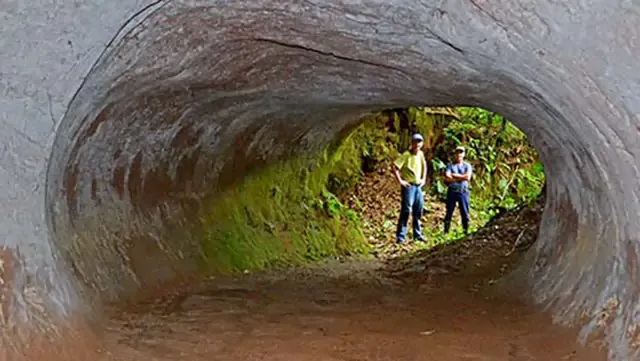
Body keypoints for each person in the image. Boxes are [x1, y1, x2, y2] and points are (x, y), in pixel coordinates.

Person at [392, 133, 427, 244]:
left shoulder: (420, 154)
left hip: (418, 186)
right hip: (409, 186)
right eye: (415, 142)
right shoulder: (406, 155)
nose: (417, 144)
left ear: (422, 143)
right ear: (412, 143)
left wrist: (423, 178)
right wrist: (401, 181)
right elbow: (395, 166)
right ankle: (401, 236)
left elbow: (424, 165)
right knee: (406, 210)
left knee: (418, 210)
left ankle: (418, 235)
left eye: (419, 142)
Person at [443, 145, 473, 235]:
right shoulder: (450, 165)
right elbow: (447, 176)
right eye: (458, 152)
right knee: (449, 212)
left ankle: (465, 231)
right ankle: (446, 231)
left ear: (464, 154)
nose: (459, 154)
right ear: (455, 154)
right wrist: (461, 178)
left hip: (463, 191)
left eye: (461, 152)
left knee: (465, 212)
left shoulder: (467, 165)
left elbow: (467, 177)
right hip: (452, 192)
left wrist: (454, 176)